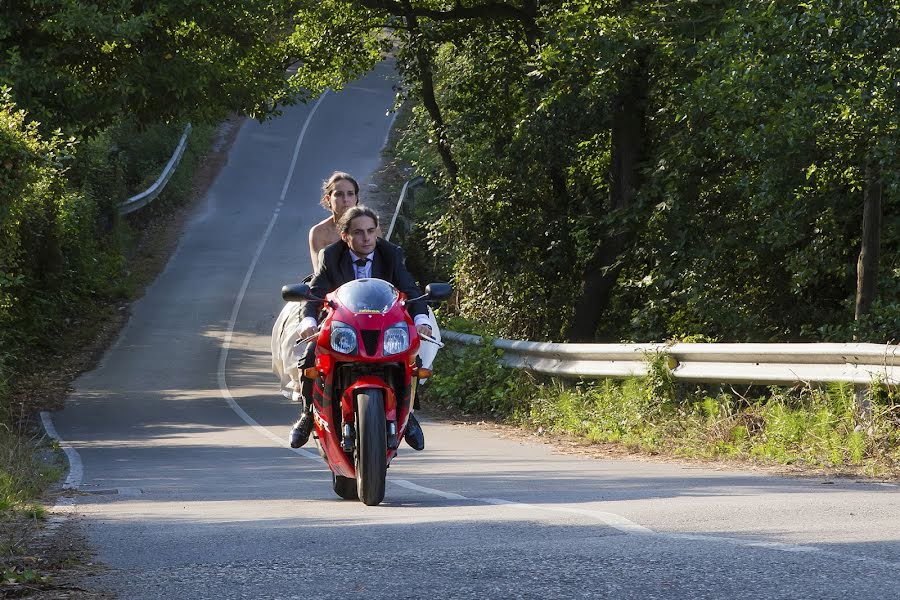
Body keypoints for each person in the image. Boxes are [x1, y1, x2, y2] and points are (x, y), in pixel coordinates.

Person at [289, 205, 432, 451]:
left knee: (411, 358)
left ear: (377, 231)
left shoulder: (391, 254)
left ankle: (407, 416)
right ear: (345, 236)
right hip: (343, 324)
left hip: (384, 324)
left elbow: (411, 289)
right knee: (309, 357)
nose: (366, 237)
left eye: (370, 231)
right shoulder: (331, 255)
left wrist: (422, 321)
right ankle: (307, 414)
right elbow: (315, 292)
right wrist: (309, 321)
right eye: (358, 232)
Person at [308, 171, 360, 272]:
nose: (345, 199)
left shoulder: (371, 227)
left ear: (356, 198)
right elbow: (320, 273)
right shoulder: (319, 232)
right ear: (328, 199)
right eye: (339, 194)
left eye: (350, 194)